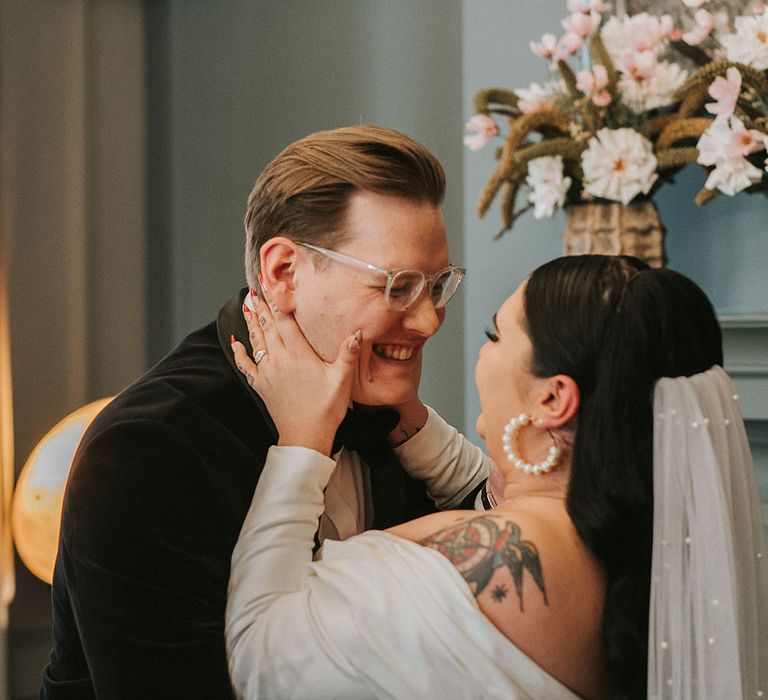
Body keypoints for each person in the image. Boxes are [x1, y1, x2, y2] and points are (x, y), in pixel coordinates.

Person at [41, 125, 489, 699]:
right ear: (283, 273)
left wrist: (417, 425)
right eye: (398, 286)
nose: (427, 321)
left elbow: (505, 541)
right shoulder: (148, 449)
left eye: (436, 286)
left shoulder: (382, 409)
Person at [226, 254, 768, 699]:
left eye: (496, 334)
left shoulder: (464, 563)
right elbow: (497, 491)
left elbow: (260, 651)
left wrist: (301, 440)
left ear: (554, 398)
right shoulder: (655, 543)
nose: (432, 324)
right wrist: (404, 413)